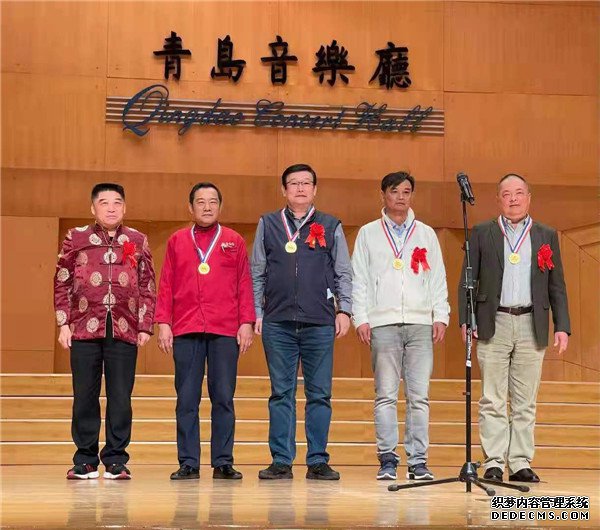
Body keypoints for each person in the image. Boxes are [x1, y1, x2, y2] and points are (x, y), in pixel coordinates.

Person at [458, 173, 570, 483]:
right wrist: (467, 319)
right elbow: (467, 279)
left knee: (525, 400)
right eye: (506, 194)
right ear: (498, 199)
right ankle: (494, 461)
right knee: (492, 398)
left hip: (531, 322)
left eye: (519, 193)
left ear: (529, 197)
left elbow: (557, 285)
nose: (513, 199)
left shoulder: (546, 235)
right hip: (493, 321)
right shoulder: (483, 232)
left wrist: (562, 326)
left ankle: (520, 461)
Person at [251, 163, 353, 480]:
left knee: (319, 394)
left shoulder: (330, 225)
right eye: (293, 183)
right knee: (281, 394)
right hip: (277, 322)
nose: (299, 188)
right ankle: (281, 460)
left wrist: (345, 310)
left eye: (306, 183)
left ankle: (318, 460)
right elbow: (257, 272)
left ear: (315, 189)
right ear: (284, 190)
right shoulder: (268, 223)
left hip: (319, 322)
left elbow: (343, 272)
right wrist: (257, 313)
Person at [352, 171, 450, 481]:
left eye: (406, 191)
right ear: (383, 194)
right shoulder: (368, 233)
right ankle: (387, 459)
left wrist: (441, 315)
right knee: (386, 395)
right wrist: (361, 318)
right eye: (395, 191)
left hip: (420, 324)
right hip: (383, 323)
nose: (401, 197)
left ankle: (418, 461)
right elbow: (359, 279)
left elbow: (437, 278)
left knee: (419, 396)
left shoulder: (426, 234)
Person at [54, 182, 156, 480]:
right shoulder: (76, 237)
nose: (111, 208)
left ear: (124, 207)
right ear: (93, 208)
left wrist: (145, 324)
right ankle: (85, 459)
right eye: (104, 202)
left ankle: (116, 458)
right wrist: (63, 323)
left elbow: (147, 284)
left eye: (117, 203)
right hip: (83, 326)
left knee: (120, 396)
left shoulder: (136, 239)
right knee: (84, 395)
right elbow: (61, 280)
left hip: (124, 328)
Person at [155, 182, 255, 480]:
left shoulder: (234, 241)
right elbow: (166, 283)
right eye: (200, 202)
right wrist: (163, 322)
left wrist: (246, 322)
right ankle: (188, 462)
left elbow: (244, 283)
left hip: (225, 328)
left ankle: (223, 461)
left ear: (220, 207)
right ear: (190, 207)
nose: (207, 207)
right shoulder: (177, 241)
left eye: (213, 201)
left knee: (223, 397)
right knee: (187, 398)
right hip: (186, 327)